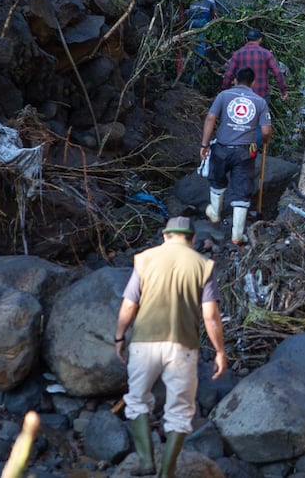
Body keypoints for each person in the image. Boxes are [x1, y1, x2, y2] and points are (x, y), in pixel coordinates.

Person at [114, 216, 227, 477]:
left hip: (144, 344)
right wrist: (220, 351)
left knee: (137, 401)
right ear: (193, 239)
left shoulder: (144, 259)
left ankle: (145, 461)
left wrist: (120, 336)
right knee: (180, 411)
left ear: (165, 236)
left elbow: (130, 305)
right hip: (183, 347)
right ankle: (167, 471)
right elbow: (210, 315)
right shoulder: (204, 265)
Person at [201, 67, 272, 244]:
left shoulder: (223, 96)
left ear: (235, 80)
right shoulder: (260, 102)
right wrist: (264, 140)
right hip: (245, 151)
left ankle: (215, 214)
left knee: (217, 180)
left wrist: (204, 144)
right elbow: (266, 130)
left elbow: (210, 118)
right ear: (253, 83)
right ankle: (237, 235)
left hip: (222, 147)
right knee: (242, 189)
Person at [222, 28, 288, 101]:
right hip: (261, 96)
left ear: (246, 39)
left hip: (242, 97)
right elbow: (277, 73)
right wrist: (283, 91)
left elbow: (228, 75)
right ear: (260, 39)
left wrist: (226, 90)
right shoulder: (266, 54)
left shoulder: (237, 54)